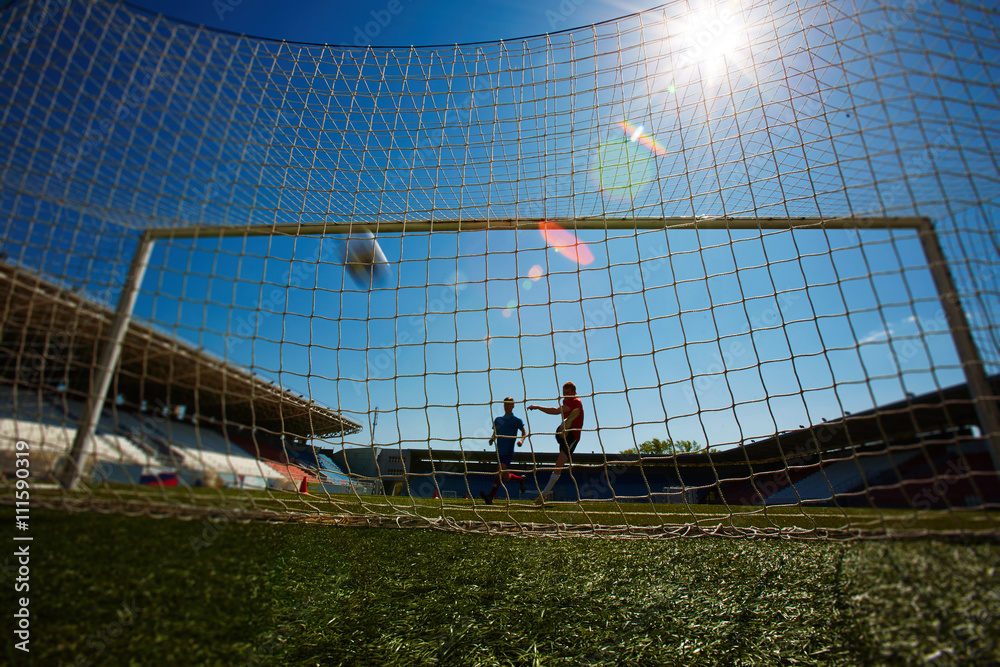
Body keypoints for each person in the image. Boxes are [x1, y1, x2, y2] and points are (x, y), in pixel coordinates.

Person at [528, 381, 584, 505]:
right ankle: (563, 428)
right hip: (564, 435)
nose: (565, 395)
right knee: (558, 464)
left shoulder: (576, 401)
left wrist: (538, 407)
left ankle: (543, 495)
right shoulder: (566, 401)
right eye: (564, 393)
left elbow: (556, 410)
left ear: (575, 392)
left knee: (559, 465)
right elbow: (559, 410)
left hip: (573, 436)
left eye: (568, 393)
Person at [479, 397, 528, 505]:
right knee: (505, 476)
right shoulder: (498, 420)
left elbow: (524, 432)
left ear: (513, 405)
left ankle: (490, 497)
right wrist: (492, 439)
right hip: (499, 451)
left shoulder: (517, 421)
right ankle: (520, 480)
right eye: (505, 404)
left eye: (509, 404)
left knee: (499, 471)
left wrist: (521, 440)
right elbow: (496, 432)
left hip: (508, 451)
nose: (506, 406)